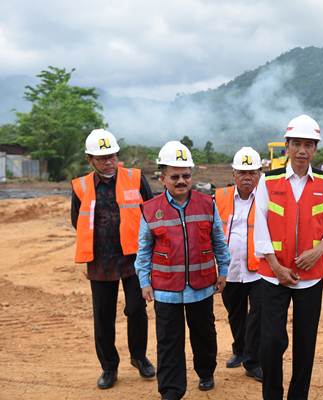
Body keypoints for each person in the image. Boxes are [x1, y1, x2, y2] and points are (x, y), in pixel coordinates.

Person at [254, 114, 323, 400]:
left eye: (308, 144)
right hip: (273, 276)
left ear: (315, 149)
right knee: (270, 342)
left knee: (305, 344)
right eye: (297, 144)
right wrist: (276, 266)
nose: (302, 150)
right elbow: (259, 226)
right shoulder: (267, 182)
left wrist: (319, 250)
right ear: (287, 146)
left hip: (311, 278)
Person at [134, 141, 230, 400]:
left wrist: (224, 270)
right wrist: (144, 282)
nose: (181, 181)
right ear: (162, 177)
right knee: (168, 343)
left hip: (201, 286)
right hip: (166, 290)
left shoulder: (207, 204)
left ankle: (206, 371)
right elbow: (143, 251)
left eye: (186, 175)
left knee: (204, 335)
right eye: (174, 176)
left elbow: (219, 241)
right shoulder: (151, 209)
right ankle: (171, 391)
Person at [71, 128, 155, 389]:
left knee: (137, 310)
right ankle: (109, 367)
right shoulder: (81, 186)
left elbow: (151, 212)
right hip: (100, 262)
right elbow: (77, 221)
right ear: (90, 160)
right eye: (101, 157)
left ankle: (139, 357)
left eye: (111, 155)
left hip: (133, 260)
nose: (108, 161)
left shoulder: (136, 179)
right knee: (103, 316)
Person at [215, 146, 264, 381]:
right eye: (242, 173)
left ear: (260, 174)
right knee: (235, 314)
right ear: (233, 174)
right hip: (230, 270)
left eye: (252, 173)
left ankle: (253, 361)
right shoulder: (220, 197)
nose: (247, 177)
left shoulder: (266, 197)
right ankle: (239, 351)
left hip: (258, 270)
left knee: (256, 316)